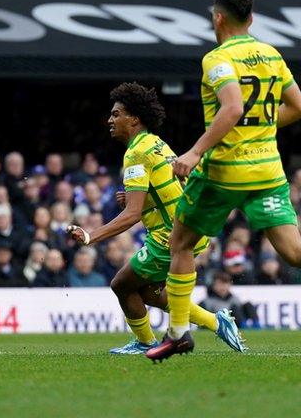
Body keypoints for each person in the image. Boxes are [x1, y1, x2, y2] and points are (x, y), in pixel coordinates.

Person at [146, 0, 301, 362]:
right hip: (268, 170)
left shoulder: (218, 58)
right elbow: (300, 107)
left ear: (218, 17)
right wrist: (260, 131)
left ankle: (178, 332)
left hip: (223, 172)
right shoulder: (270, 54)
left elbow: (232, 107)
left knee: (180, 244)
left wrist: (195, 151)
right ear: (252, 19)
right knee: (293, 250)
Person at [68, 82, 246, 355]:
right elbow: (170, 185)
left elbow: (132, 215)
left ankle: (146, 342)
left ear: (134, 119)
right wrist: (137, 196)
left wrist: (91, 236)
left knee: (122, 284)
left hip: (169, 236)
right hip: (188, 227)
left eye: (117, 114)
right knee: (150, 292)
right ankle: (216, 321)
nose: (110, 120)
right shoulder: (156, 144)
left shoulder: (136, 153)